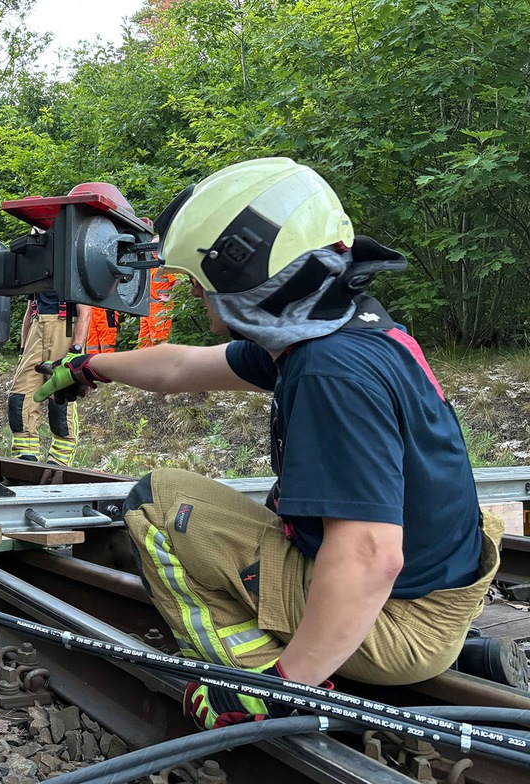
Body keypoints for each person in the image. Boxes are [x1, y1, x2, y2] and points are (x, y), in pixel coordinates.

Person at [33, 157, 523, 730]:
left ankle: (252, 676)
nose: (194, 291)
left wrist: (285, 688)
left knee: (158, 503)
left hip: (396, 621)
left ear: (245, 275)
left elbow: (370, 556)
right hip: (436, 599)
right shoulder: (343, 329)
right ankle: (370, 656)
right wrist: (92, 365)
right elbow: (182, 366)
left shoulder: (328, 371)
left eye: (198, 276)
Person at [7, 290, 91, 466]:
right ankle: (25, 457)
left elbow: (85, 311)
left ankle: (59, 459)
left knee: (61, 396)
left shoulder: (71, 266)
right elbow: (30, 310)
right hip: (37, 329)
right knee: (21, 394)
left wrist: (76, 349)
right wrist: (23, 349)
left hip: (65, 327)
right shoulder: (38, 270)